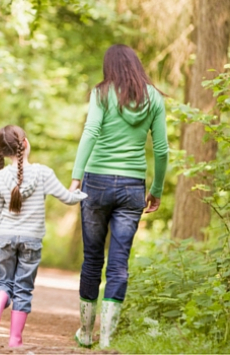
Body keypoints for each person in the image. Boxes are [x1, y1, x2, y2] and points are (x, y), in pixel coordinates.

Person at [69, 44, 169, 349]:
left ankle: (86, 333)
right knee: (119, 262)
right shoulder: (154, 97)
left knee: (92, 259)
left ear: (109, 67)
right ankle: (108, 338)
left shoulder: (101, 93)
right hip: (132, 187)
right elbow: (162, 150)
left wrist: (76, 178)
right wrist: (157, 190)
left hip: (96, 182)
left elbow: (91, 132)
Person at [0, 125, 87, 348]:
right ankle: (14, 339)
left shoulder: (0, 177)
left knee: (4, 281)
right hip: (32, 239)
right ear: (25, 144)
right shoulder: (43, 173)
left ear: (2, 152)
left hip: (6, 236)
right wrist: (81, 193)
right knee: (23, 288)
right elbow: (67, 198)